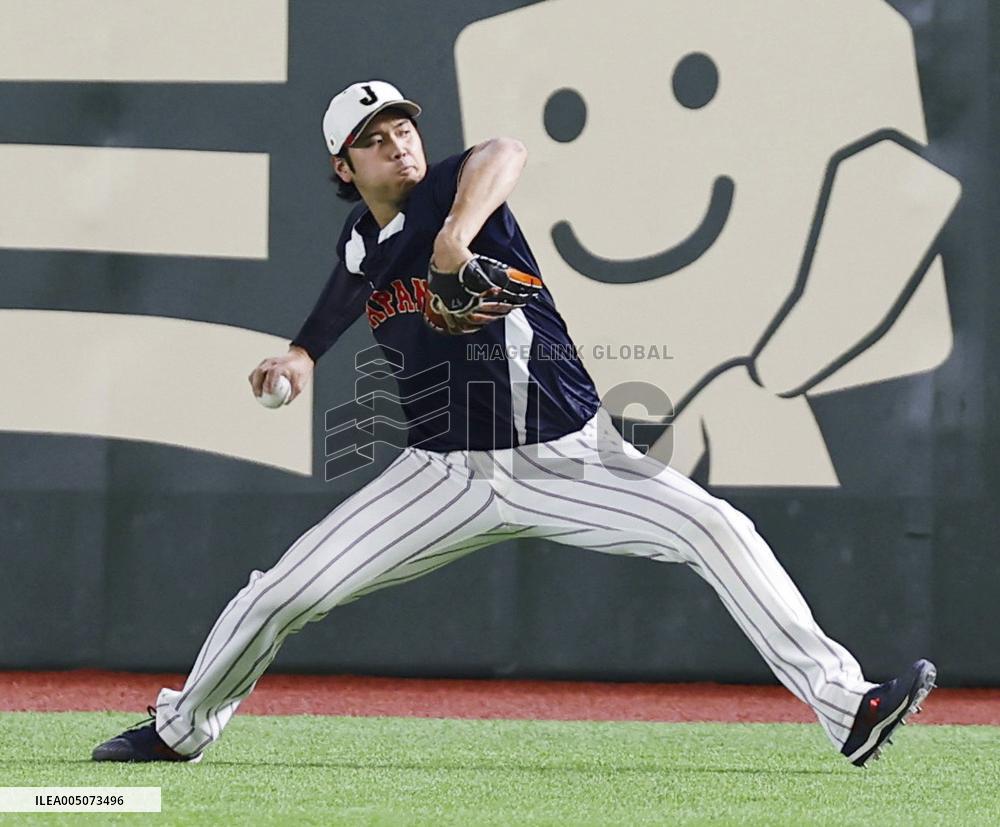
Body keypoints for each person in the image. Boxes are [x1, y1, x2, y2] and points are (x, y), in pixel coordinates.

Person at [91, 80, 935, 768]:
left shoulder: (457, 192)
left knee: (719, 527)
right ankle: (180, 727)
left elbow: (507, 150)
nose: (400, 144)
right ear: (344, 167)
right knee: (278, 593)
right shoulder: (364, 236)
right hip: (444, 473)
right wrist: (305, 352)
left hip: (571, 458)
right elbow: (355, 279)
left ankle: (846, 707)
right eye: (376, 139)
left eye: (403, 128)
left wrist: (458, 234)